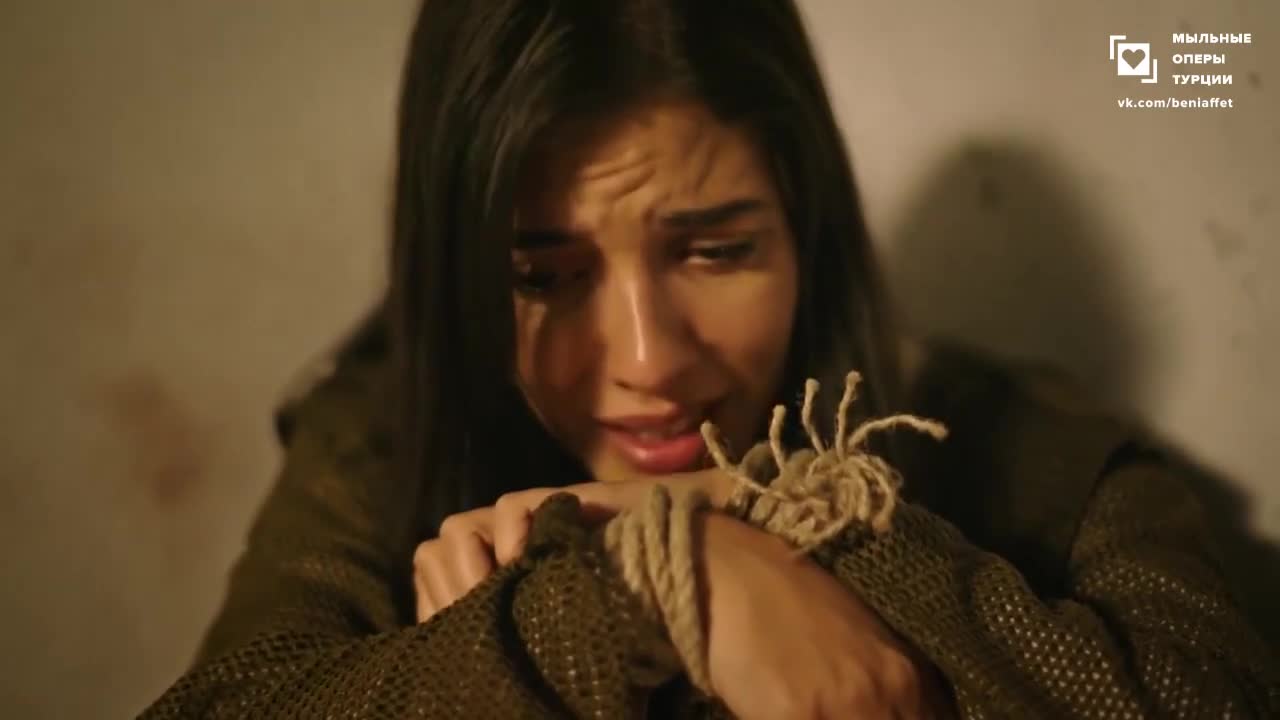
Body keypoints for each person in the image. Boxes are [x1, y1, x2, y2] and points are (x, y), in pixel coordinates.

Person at [140, 0, 1279, 717]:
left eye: (717, 251)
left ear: (804, 230)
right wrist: (645, 589)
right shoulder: (383, 435)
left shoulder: (1022, 448)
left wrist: (793, 524)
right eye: (542, 275)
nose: (648, 360)